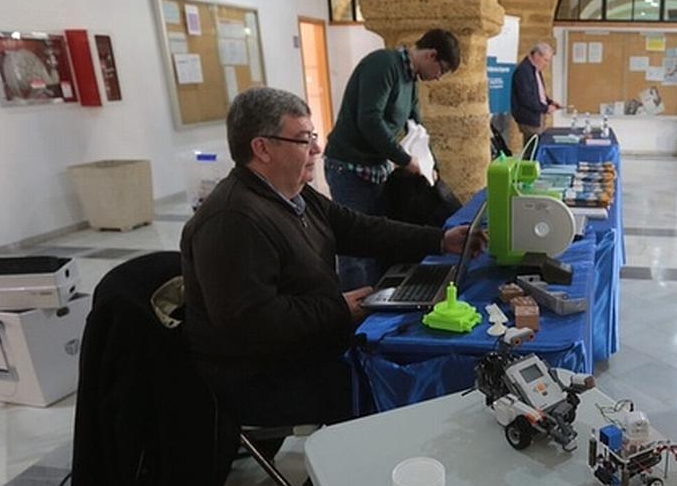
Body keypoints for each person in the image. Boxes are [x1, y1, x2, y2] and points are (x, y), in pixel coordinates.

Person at [182, 87, 479, 427]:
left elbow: (359, 229)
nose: (317, 149)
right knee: (400, 382)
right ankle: (352, 476)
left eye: (314, 136)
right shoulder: (233, 220)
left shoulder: (291, 194)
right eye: (303, 139)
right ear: (262, 148)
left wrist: (441, 240)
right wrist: (339, 309)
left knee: (420, 352)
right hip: (262, 377)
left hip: (308, 347)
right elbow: (251, 320)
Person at [325, 28, 462, 290]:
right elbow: (370, 120)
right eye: (441, 70)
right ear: (431, 55)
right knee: (354, 249)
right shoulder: (384, 64)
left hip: (376, 171)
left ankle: (375, 305)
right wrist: (405, 159)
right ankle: (353, 317)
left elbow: (417, 127)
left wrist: (432, 166)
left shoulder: (410, 80)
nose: (437, 78)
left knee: (377, 241)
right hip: (350, 169)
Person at [511, 42, 561, 143]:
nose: (547, 64)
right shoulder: (524, 71)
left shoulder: (535, 70)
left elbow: (539, 93)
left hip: (537, 116)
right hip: (529, 118)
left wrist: (550, 102)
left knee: (536, 146)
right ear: (537, 55)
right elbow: (526, 98)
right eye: (545, 60)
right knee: (532, 149)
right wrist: (546, 108)